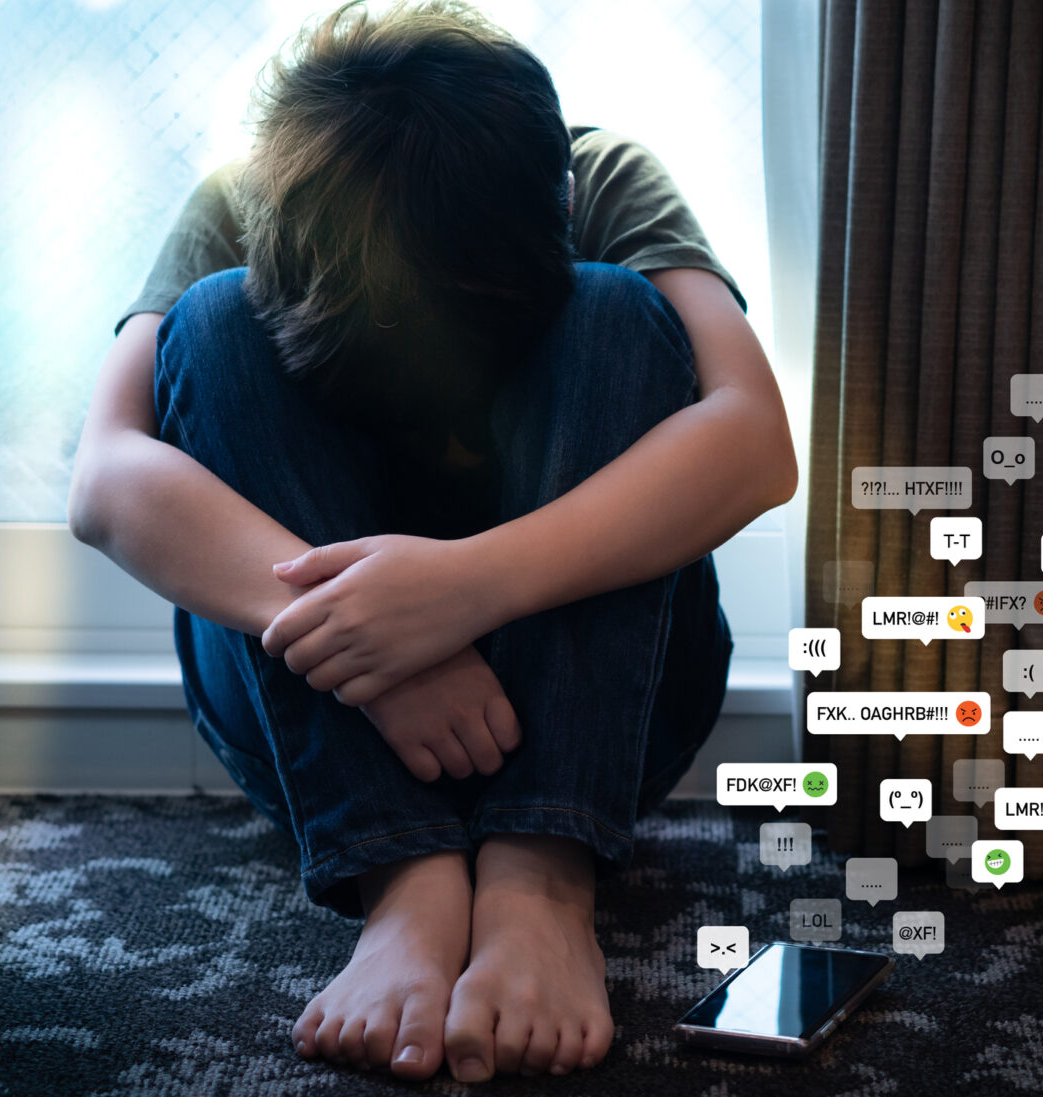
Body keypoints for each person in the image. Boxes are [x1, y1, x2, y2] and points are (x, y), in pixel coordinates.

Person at [67, 0, 796, 1082]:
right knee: (214, 319)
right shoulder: (259, 191)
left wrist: (464, 588)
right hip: (328, 718)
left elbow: (756, 444)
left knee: (618, 311)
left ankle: (541, 876)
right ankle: (402, 877)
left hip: (594, 711)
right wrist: (364, 647)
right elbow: (105, 479)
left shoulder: (594, 179)